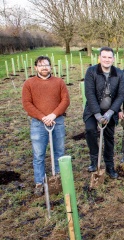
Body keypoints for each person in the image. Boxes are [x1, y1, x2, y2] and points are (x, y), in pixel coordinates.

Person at [22, 55, 70, 196]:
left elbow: (65, 100)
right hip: (38, 123)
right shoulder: (29, 84)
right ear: (35, 67)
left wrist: (53, 115)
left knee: (59, 151)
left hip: (57, 121)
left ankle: (58, 179)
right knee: (39, 154)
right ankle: (39, 182)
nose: (44, 67)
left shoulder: (59, 82)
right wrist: (43, 117)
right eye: (41, 65)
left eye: (47, 65)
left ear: (50, 67)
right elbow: (27, 104)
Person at [83, 47, 124, 179]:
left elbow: (121, 94)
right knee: (90, 130)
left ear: (113, 59)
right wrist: (97, 114)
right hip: (92, 110)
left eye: (109, 57)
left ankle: (109, 166)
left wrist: (110, 112)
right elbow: (89, 93)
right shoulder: (91, 71)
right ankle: (94, 161)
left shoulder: (119, 73)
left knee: (109, 138)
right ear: (99, 58)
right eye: (104, 57)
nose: (107, 60)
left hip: (110, 111)